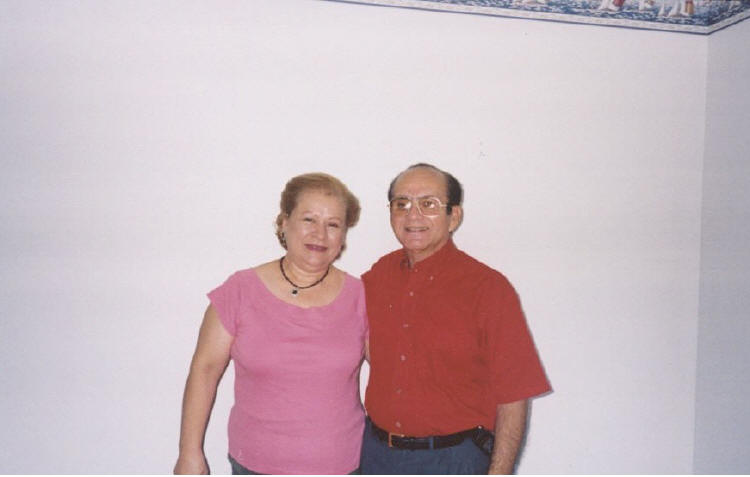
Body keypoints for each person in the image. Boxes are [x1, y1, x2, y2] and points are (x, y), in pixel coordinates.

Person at [360, 163, 551, 474]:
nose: (413, 215)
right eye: (401, 204)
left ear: (454, 216)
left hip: (453, 460)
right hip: (377, 456)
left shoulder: (488, 288)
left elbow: (514, 396)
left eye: (429, 204)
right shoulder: (377, 277)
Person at [174, 173, 367, 475]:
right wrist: (189, 452)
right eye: (309, 219)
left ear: (343, 235)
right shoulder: (240, 291)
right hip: (254, 464)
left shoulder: (361, 296)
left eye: (333, 224)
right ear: (284, 222)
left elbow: (392, 372)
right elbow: (204, 371)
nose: (320, 234)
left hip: (343, 465)